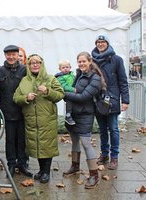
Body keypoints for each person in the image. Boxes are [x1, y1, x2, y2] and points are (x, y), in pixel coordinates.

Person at [13, 54, 64, 183]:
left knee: (47, 146)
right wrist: (26, 98)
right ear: (28, 66)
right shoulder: (25, 81)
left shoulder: (50, 79)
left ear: (42, 64)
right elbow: (15, 97)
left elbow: (60, 94)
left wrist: (48, 91)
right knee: (36, 145)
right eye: (32, 63)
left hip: (47, 119)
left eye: (37, 62)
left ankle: (46, 172)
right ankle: (41, 170)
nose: (35, 65)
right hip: (31, 119)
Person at [63, 51, 104, 189]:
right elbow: (75, 91)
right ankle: (75, 166)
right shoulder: (79, 75)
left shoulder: (96, 78)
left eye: (83, 61)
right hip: (74, 113)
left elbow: (83, 97)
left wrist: (65, 94)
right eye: (79, 61)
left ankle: (94, 175)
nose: (81, 64)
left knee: (86, 143)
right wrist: (70, 93)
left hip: (86, 114)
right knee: (74, 140)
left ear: (89, 61)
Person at [92, 35, 130, 170]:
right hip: (98, 99)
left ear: (107, 43)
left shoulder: (116, 60)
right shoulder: (92, 60)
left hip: (112, 100)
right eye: (98, 42)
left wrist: (125, 100)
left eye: (103, 42)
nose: (100, 44)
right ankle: (104, 154)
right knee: (102, 130)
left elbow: (123, 81)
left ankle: (114, 157)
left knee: (113, 129)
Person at [0, 45, 32, 178]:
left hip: (23, 110)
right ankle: (11, 163)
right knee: (10, 139)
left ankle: (22, 163)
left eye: (14, 54)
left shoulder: (25, 70)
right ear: (5, 56)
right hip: (7, 111)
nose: (11, 57)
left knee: (22, 139)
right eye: (8, 55)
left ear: (18, 55)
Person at [55, 60, 76, 125]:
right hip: (66, 93)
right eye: (63, 68)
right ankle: (68, 115)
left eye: (67, 67)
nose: (65, 69)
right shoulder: (60, 77)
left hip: (74, 92)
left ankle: (73, 115)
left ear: (70, 67)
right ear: (60, 69)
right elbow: (64, 86)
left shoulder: (72, 75)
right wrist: (73, 89)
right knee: (69, 102)